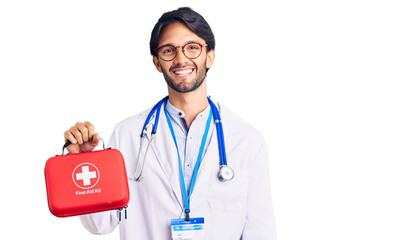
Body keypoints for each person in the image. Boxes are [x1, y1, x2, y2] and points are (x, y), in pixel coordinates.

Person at [63, 7, 276, 240]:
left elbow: (260, 232)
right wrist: (83, 161)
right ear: (157, 62)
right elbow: (99, 225)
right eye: (168, 50)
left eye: (192, 47)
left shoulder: (247, 140)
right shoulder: (128, 135)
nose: (181, 58)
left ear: (210, 56)